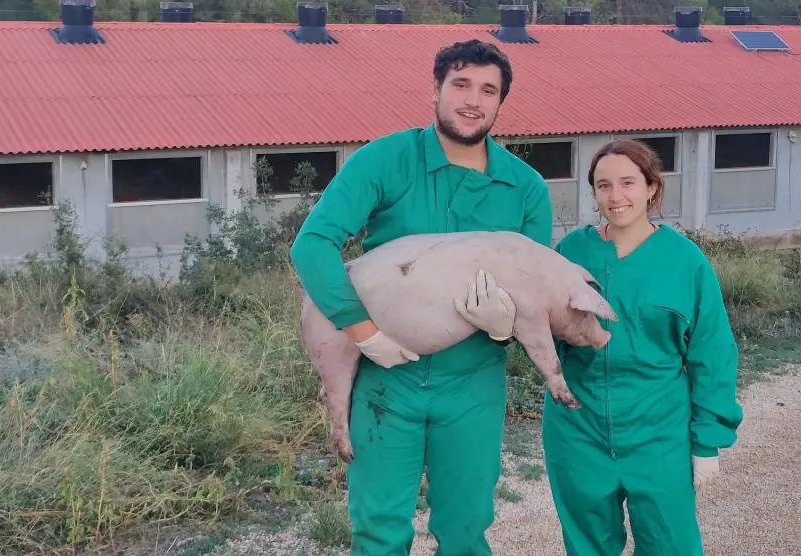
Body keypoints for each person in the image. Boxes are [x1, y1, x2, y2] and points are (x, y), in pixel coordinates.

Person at [290, 39, 554, 554]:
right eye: (461, 84)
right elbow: (313, 245)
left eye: (488, 90)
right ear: (436, 88)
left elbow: (534, 287)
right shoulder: (384, 160)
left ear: (501, 102)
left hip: (473, 381)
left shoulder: (525, 189)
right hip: (385, 380)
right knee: (379, 530)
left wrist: (507, 325)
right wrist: (363, 333)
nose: (473, 100)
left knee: (465, 528)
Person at [541, 139, 744, 555]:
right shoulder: (571, 253)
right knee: (587, 545)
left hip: (659, 430)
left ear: (652, 187)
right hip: (578, 429)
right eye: (604, 186)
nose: (616, 196)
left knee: (671, 544)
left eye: (628, 183)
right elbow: (543, 331)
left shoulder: (684, 261)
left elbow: (712, 352)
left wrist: (707, 439)